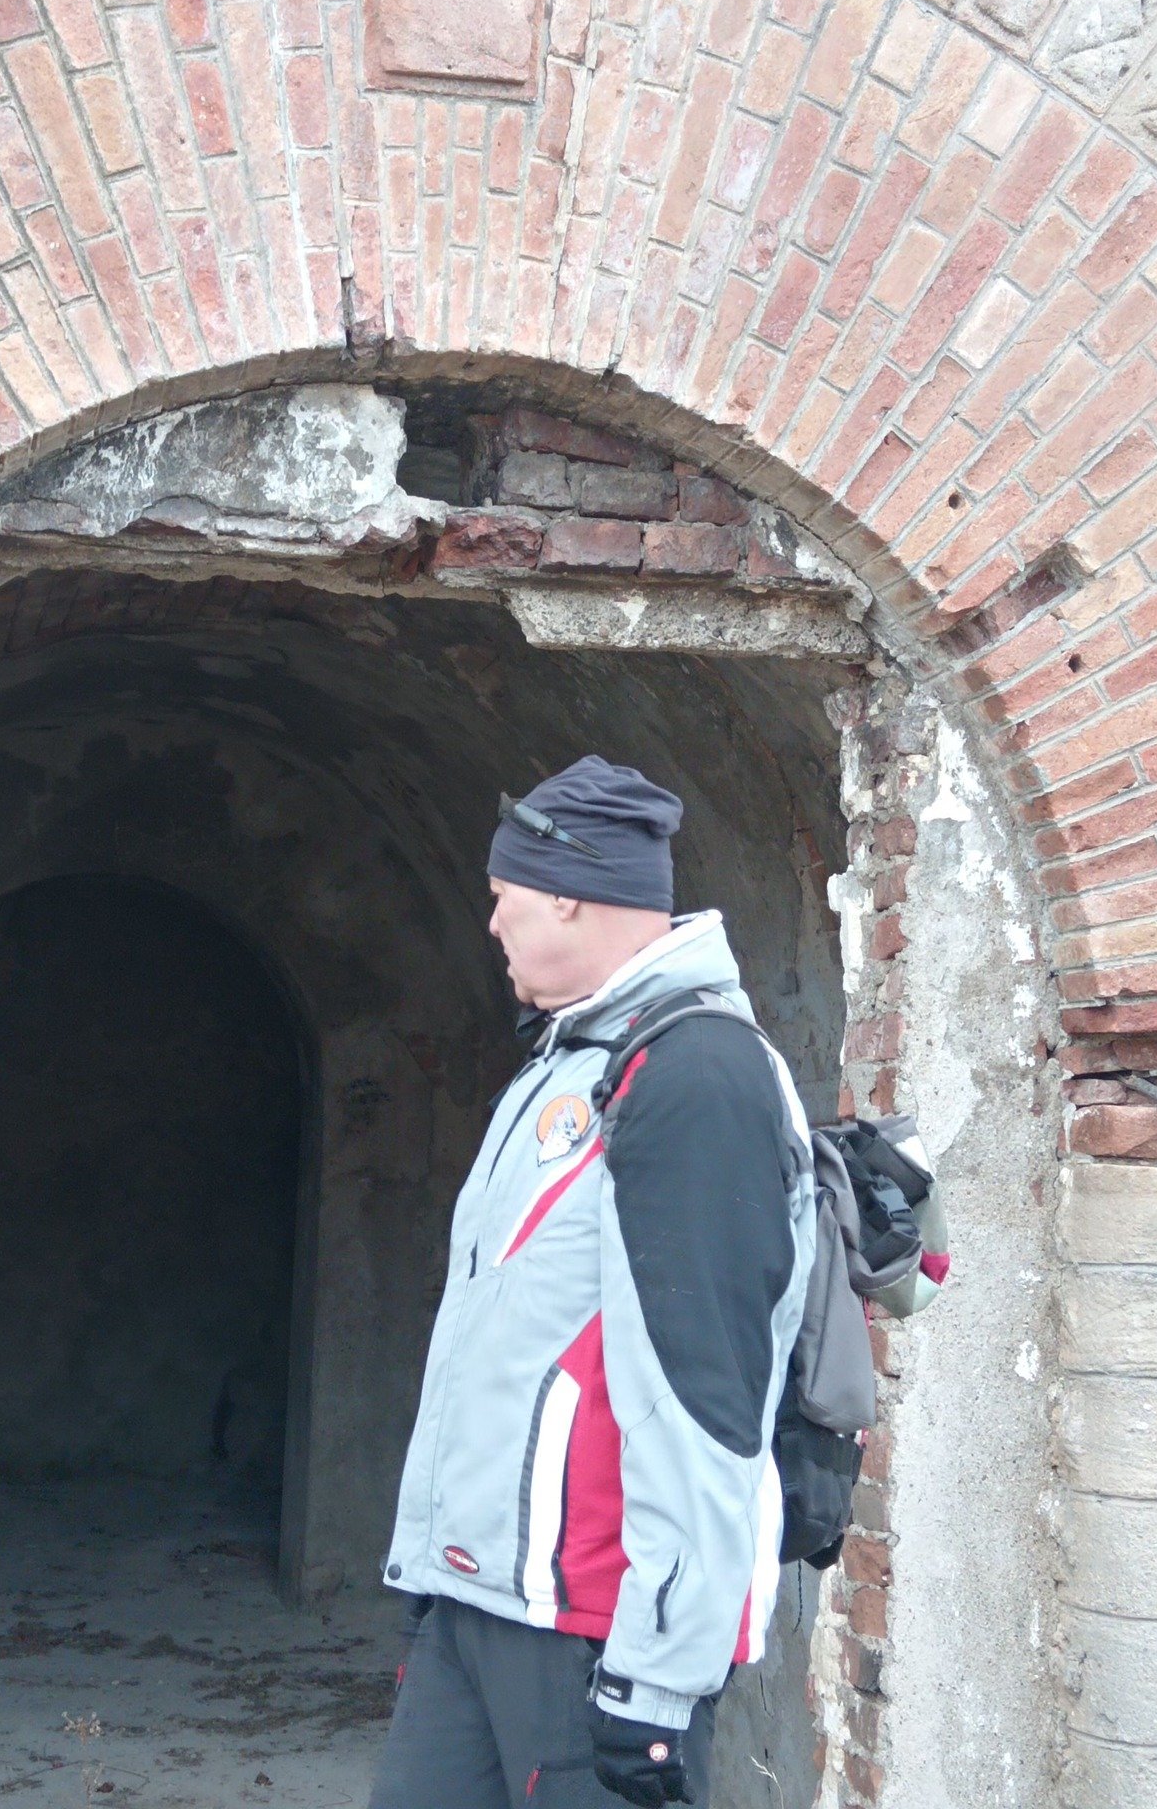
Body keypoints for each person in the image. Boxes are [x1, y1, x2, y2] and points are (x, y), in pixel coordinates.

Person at [370, 756, 817, 1809]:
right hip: (485, 1602)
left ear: (568, 892)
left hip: (594, 1625)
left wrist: (659, 1675)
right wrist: (434, 1566)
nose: (492, 924)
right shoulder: (568, 1064)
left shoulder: (695, 1073)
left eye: (504, 896)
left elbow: (704, 1394)